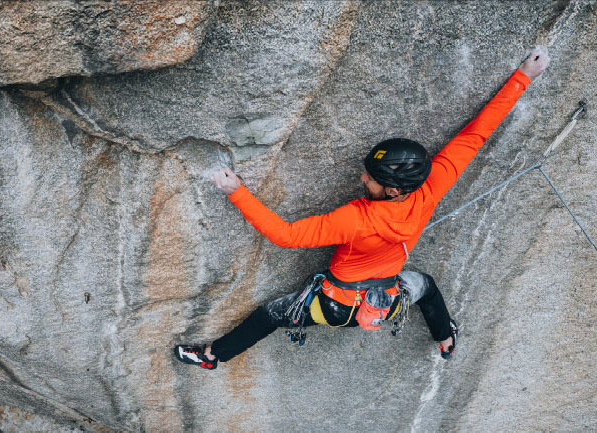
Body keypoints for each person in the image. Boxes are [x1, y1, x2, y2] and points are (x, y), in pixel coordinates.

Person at [175, 47, 551, 370]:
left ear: (389, 189)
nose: (361, 179)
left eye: (369, 178)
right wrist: (523, 76)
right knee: (427, 288)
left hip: (335, 308)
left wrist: (236, 190)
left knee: (270, 315)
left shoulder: (354, 219)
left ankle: (211, 355)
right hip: (385, 303)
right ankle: (446, 337)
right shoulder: (432, 185)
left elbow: (284, 236)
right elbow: (475, 135)